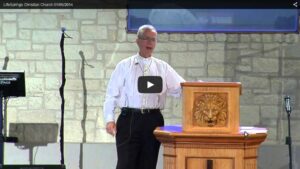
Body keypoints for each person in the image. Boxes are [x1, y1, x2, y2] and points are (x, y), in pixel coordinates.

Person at [103, 24, 185, 169]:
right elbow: (111, 95)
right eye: (146, 39)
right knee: (125, 164)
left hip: (153, 120)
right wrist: (109, 119)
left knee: (148, 164)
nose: (150, 43)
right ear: (138, 41)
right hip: (129, 120)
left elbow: (182, 88)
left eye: (153, 40)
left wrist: (199, 87)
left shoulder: (162, 67)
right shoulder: (124, 66)